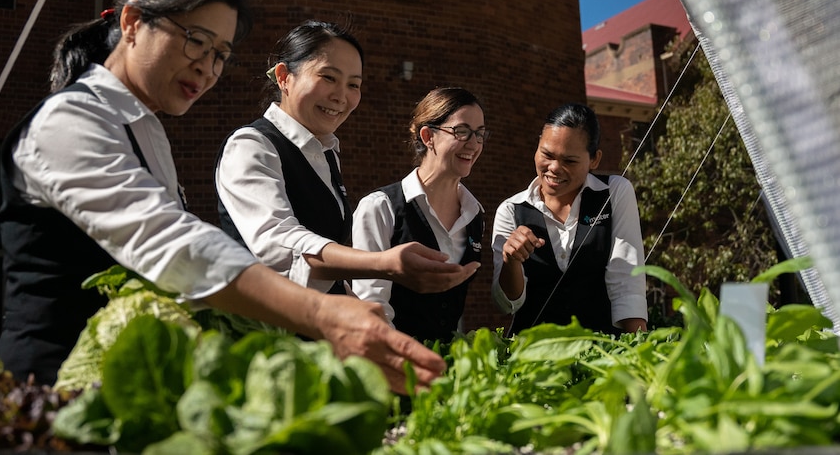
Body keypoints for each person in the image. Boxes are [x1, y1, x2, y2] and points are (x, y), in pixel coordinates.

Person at [0, 0, 445, 394]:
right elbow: (174, 245)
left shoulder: (146, 128)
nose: (208, 69)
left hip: (122, 381)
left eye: (220, 55)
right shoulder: (70, 119)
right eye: (196, 41)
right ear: (132, 22)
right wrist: (325, 312)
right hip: (49, 382)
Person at [215, 22, 479, 298]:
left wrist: (367, 315)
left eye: (353, 84)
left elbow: (324, 280)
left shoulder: (324, 153)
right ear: (283, 77)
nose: (341, 96)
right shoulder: (250, 145)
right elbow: (280, 245)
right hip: (264, 334)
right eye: (328, 77)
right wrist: (383, 263)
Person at [492, 103, 647, 336]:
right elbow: (507, 304)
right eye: (547, 155)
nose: (554, 168)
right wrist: (511, 261)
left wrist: (641, 351)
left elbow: (626, 279)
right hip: (533, 357)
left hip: (602, 352)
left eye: (570, 161)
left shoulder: (614, 193)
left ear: (594, 160)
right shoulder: (511, 210)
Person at [352, 87, 487, 344]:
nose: (473, 143)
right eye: (461, 131)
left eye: (479, 134)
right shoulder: (380, 207)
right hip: (393, 363)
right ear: (428, 136)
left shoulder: (474, 214)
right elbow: (371, 304)